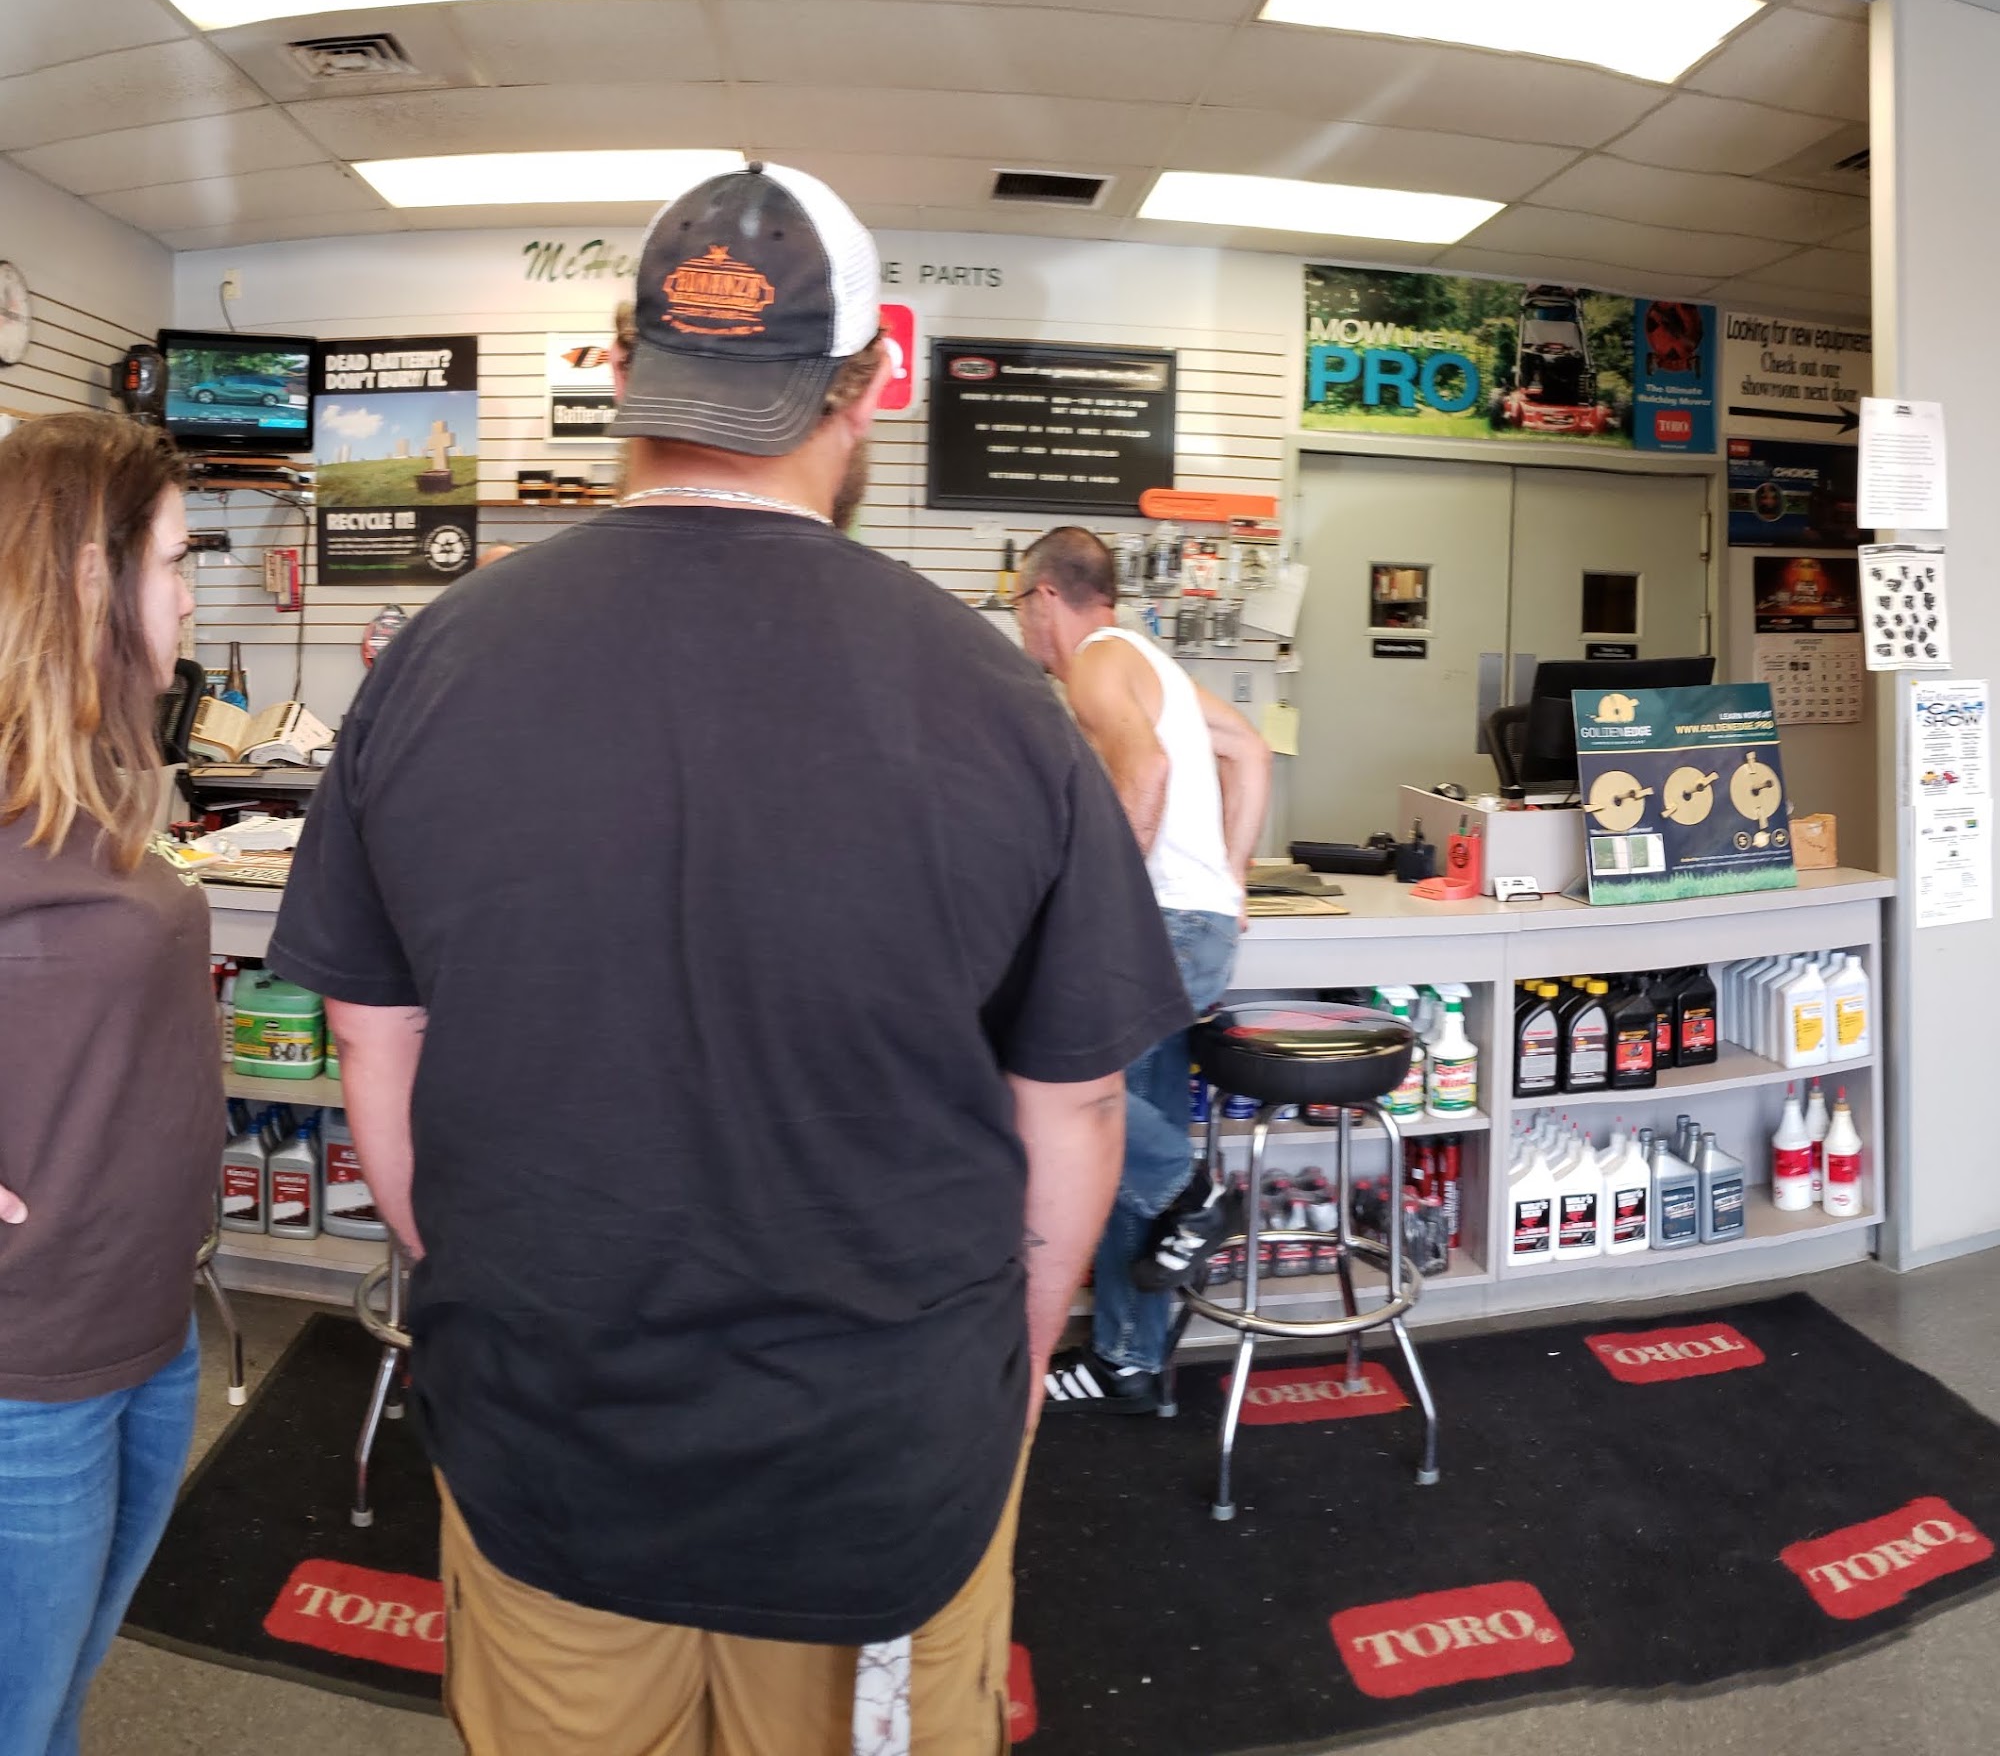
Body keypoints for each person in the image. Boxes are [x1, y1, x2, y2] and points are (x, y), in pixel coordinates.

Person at [268, 162, 1187, 1755]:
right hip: (882, 1462)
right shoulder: (994, 698)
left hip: (547, 1431)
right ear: (866, 390)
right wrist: (1009, 1371)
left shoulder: (435, 660)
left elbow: (373, 1044)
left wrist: (491, 1287)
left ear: (627, 370)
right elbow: (1077, 1106)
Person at [0, 411, 215, 1756]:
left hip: (144, 1322)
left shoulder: (82, 784)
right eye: (176, 561)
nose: (190, 595)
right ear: (91, 574)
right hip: (26, 1365)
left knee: (56, 1701)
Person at [1011, 528, 1273, 1415]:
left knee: (1067, 1098)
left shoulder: (1095, 663)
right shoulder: (1149, 662)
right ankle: (1128, 1359)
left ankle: (1195, 1197)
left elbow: (1147, 771)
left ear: (1046, 597)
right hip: (1194, 926)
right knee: (1128, 1128)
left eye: (1018, 606)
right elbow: (1250, 751)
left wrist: (1094, 909)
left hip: (1158, 927)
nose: (1021, 627)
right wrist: (1231, 878)